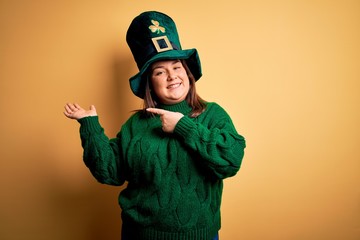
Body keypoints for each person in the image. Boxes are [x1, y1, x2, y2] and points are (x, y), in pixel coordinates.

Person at [64, 11, 246, 240]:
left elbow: (231, 161)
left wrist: (183, 126)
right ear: (150, 82)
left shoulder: (213, 115)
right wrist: (89, 126)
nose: (172, 76)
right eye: (160, 71)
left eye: (177, 66)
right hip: (139, 234)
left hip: (199, 235)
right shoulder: (135, 125)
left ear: (188, 73)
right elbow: (110, 172)